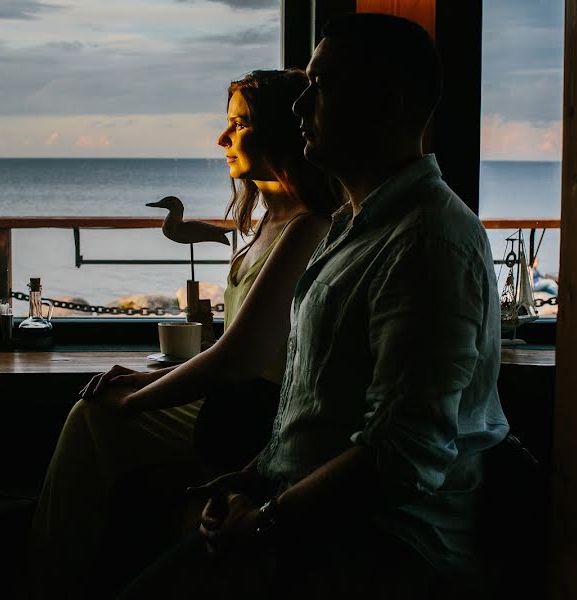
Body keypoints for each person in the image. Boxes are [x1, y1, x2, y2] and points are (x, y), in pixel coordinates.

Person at [117, 13, 510, 600]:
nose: (299, 108)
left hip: (379, 546)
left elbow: (405, 454)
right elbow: (314, 410)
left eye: (319, 87)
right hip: (303, 515)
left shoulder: (427, 242)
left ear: (386, 103)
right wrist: (251, 477)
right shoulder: (355, 228)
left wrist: (267, 519)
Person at [25, 69, 342, 599]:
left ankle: (46, 579)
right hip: (235, 398)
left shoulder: (308, 227)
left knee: (95, 419)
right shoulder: (263, 223)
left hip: (259, 415)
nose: (222, 139)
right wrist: (158, 375)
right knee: (94, 413)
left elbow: (243, 356)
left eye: (238, 125)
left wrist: (140, 400)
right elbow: (235, 349)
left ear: (283, 133)